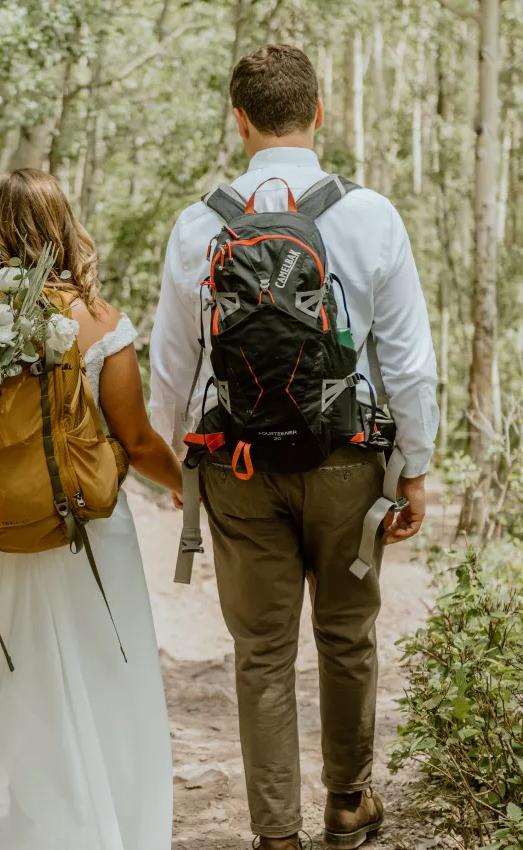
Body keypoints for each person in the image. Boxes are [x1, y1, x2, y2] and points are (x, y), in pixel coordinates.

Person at [150, 45, 439, 850]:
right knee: (347, 636)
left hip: (236, 469)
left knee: (262, 653)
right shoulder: (372, 215)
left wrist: (181, 463)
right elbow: (408, 363)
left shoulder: (197, 223)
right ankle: (348, 804)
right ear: (320, 112)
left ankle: (276, 837)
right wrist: (414, 470)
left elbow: (172, 366)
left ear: (238, 122)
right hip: (348, 462)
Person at [0, 168, 180, 850]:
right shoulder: (98, 323)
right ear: (64, 227)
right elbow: (139, 440)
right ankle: (107, 828)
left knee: (12, 676)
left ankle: (29, 829)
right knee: (108, 676)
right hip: (87, 532)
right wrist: (183, 483)